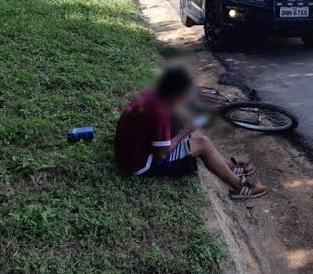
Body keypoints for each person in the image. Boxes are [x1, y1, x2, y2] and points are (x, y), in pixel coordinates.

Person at [114, 66, 268, 199]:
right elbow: (162, 153)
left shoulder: (153, 95)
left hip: (131, 149)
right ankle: (239, 187)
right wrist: (184, 131)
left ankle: (229, 166)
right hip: (141, 164)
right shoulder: (160, 112)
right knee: (203, 144)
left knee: (192, 132)